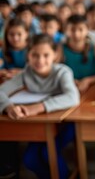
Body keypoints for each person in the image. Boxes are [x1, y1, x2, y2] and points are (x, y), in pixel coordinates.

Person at [0, 34, 80, 179]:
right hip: (40, 125)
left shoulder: (62, 72)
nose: (40, 60)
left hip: (65, 125)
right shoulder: (26, 73)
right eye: (35, 55)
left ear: (54, 55)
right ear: (28, 55)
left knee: (46, 153)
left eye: (45, 55)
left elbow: (72, 97)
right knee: (29, 160)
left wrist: (36, 108)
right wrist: (8, 106)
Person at [59, 15, 95, 93]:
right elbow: (57, 71)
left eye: (80, 30)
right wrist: (70, 80)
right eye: (72, 30)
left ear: (87, 30)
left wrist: (87, 80)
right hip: (71, 87)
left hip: (94, 87)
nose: (76, 34)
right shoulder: (61, 48)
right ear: (65, 30)